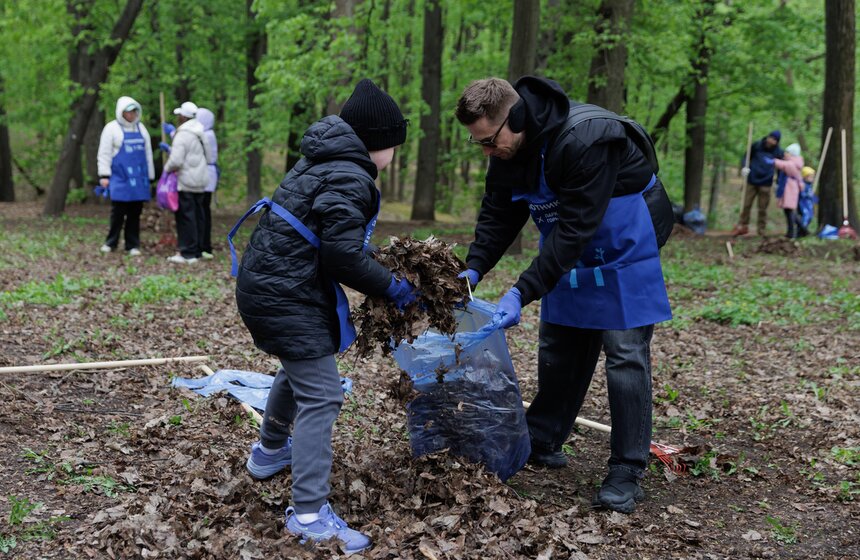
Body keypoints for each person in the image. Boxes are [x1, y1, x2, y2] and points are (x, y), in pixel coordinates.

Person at [454, 76, 674, 514]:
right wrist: (473, 269)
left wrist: (521, 290)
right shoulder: (507, 148)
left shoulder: (586, 139)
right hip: (570, 238)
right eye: (476, 143)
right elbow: (499, 213)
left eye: (489, 140)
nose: (485, 151)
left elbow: (576, 228)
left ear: (515, 118)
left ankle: (627, 469)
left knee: (625, 350)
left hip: (626, 237)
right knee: (560, 338)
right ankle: (545, 435)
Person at [232, 79, 412, 553]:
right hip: (285, 296)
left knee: (301, 366)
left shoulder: (323, 161)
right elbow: (342, 257)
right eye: (395, 141)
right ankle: (309, 514)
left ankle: (269, 452)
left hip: (273, 288)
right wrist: (395, 288)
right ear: (382, 141)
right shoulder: (350, 176)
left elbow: (333, 239)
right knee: (324, 395)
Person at [96, 96, 155, 256]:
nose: (131, 115)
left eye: (134, 112)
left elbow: (148, 154)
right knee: (118, 213)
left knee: (135, 213)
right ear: (121, 113)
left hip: (138, 180)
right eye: (128, 112)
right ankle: (111, 242)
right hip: (119, 178)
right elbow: (104, 153)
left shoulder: (141, 129)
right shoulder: (111, 129)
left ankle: (132, 244)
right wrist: (104, 175)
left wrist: (150, 176)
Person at [162, 101, 213, 264]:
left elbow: (176, 160)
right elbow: (210, 157)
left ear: (183, 116)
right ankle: (197, 250)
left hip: (186, 180)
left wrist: (167, 168)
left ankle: (187, 252)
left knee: (185, 216)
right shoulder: (201, 132)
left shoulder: (183, 133)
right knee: (199, 215)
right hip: (201, 179)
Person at [733, 131, 784, 236]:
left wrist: (779, 182)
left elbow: (780, 168)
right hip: (751, 180)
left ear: (777, 142)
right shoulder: (757, 145)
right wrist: (744, 167)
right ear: (768, 137)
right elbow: (746, 157)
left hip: (766, 182)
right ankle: (743, 226)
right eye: (771, 138)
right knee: (746, 205)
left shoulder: (778, 152)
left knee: (763, 207)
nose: (772, 141)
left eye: (775, 140)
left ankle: (761, 230)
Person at [196, 107, 219, 259]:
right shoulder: (209, 133)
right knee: (204, 212)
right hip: (208, 176)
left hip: (206, 176)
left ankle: (203, 245)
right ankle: (205, 245)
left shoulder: (206, 135)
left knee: (202, 212)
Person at [772, 143, 806, 238]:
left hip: (790, 189)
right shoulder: (794, 162)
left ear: (792, 154)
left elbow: (783, 165)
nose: (784, 154)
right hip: (788, 189)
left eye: (787, 152)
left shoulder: (792, 164)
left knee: (790, 211)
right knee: (788, 211)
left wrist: (772, 161)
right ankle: (800, 229)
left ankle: (794, 232)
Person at [798, 166, 817, 233]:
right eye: (810, 177)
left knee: (810, 217)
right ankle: (802, 231)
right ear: (805, 177)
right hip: (803, 204)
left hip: (809, 205)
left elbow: (812, 196)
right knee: (805, 217)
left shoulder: (810, 186)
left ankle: (804, 230)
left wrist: (815, 199)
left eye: (813, 177)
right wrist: (808, 195)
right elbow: (802, 194)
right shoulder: (803, 185)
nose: (812, 178)